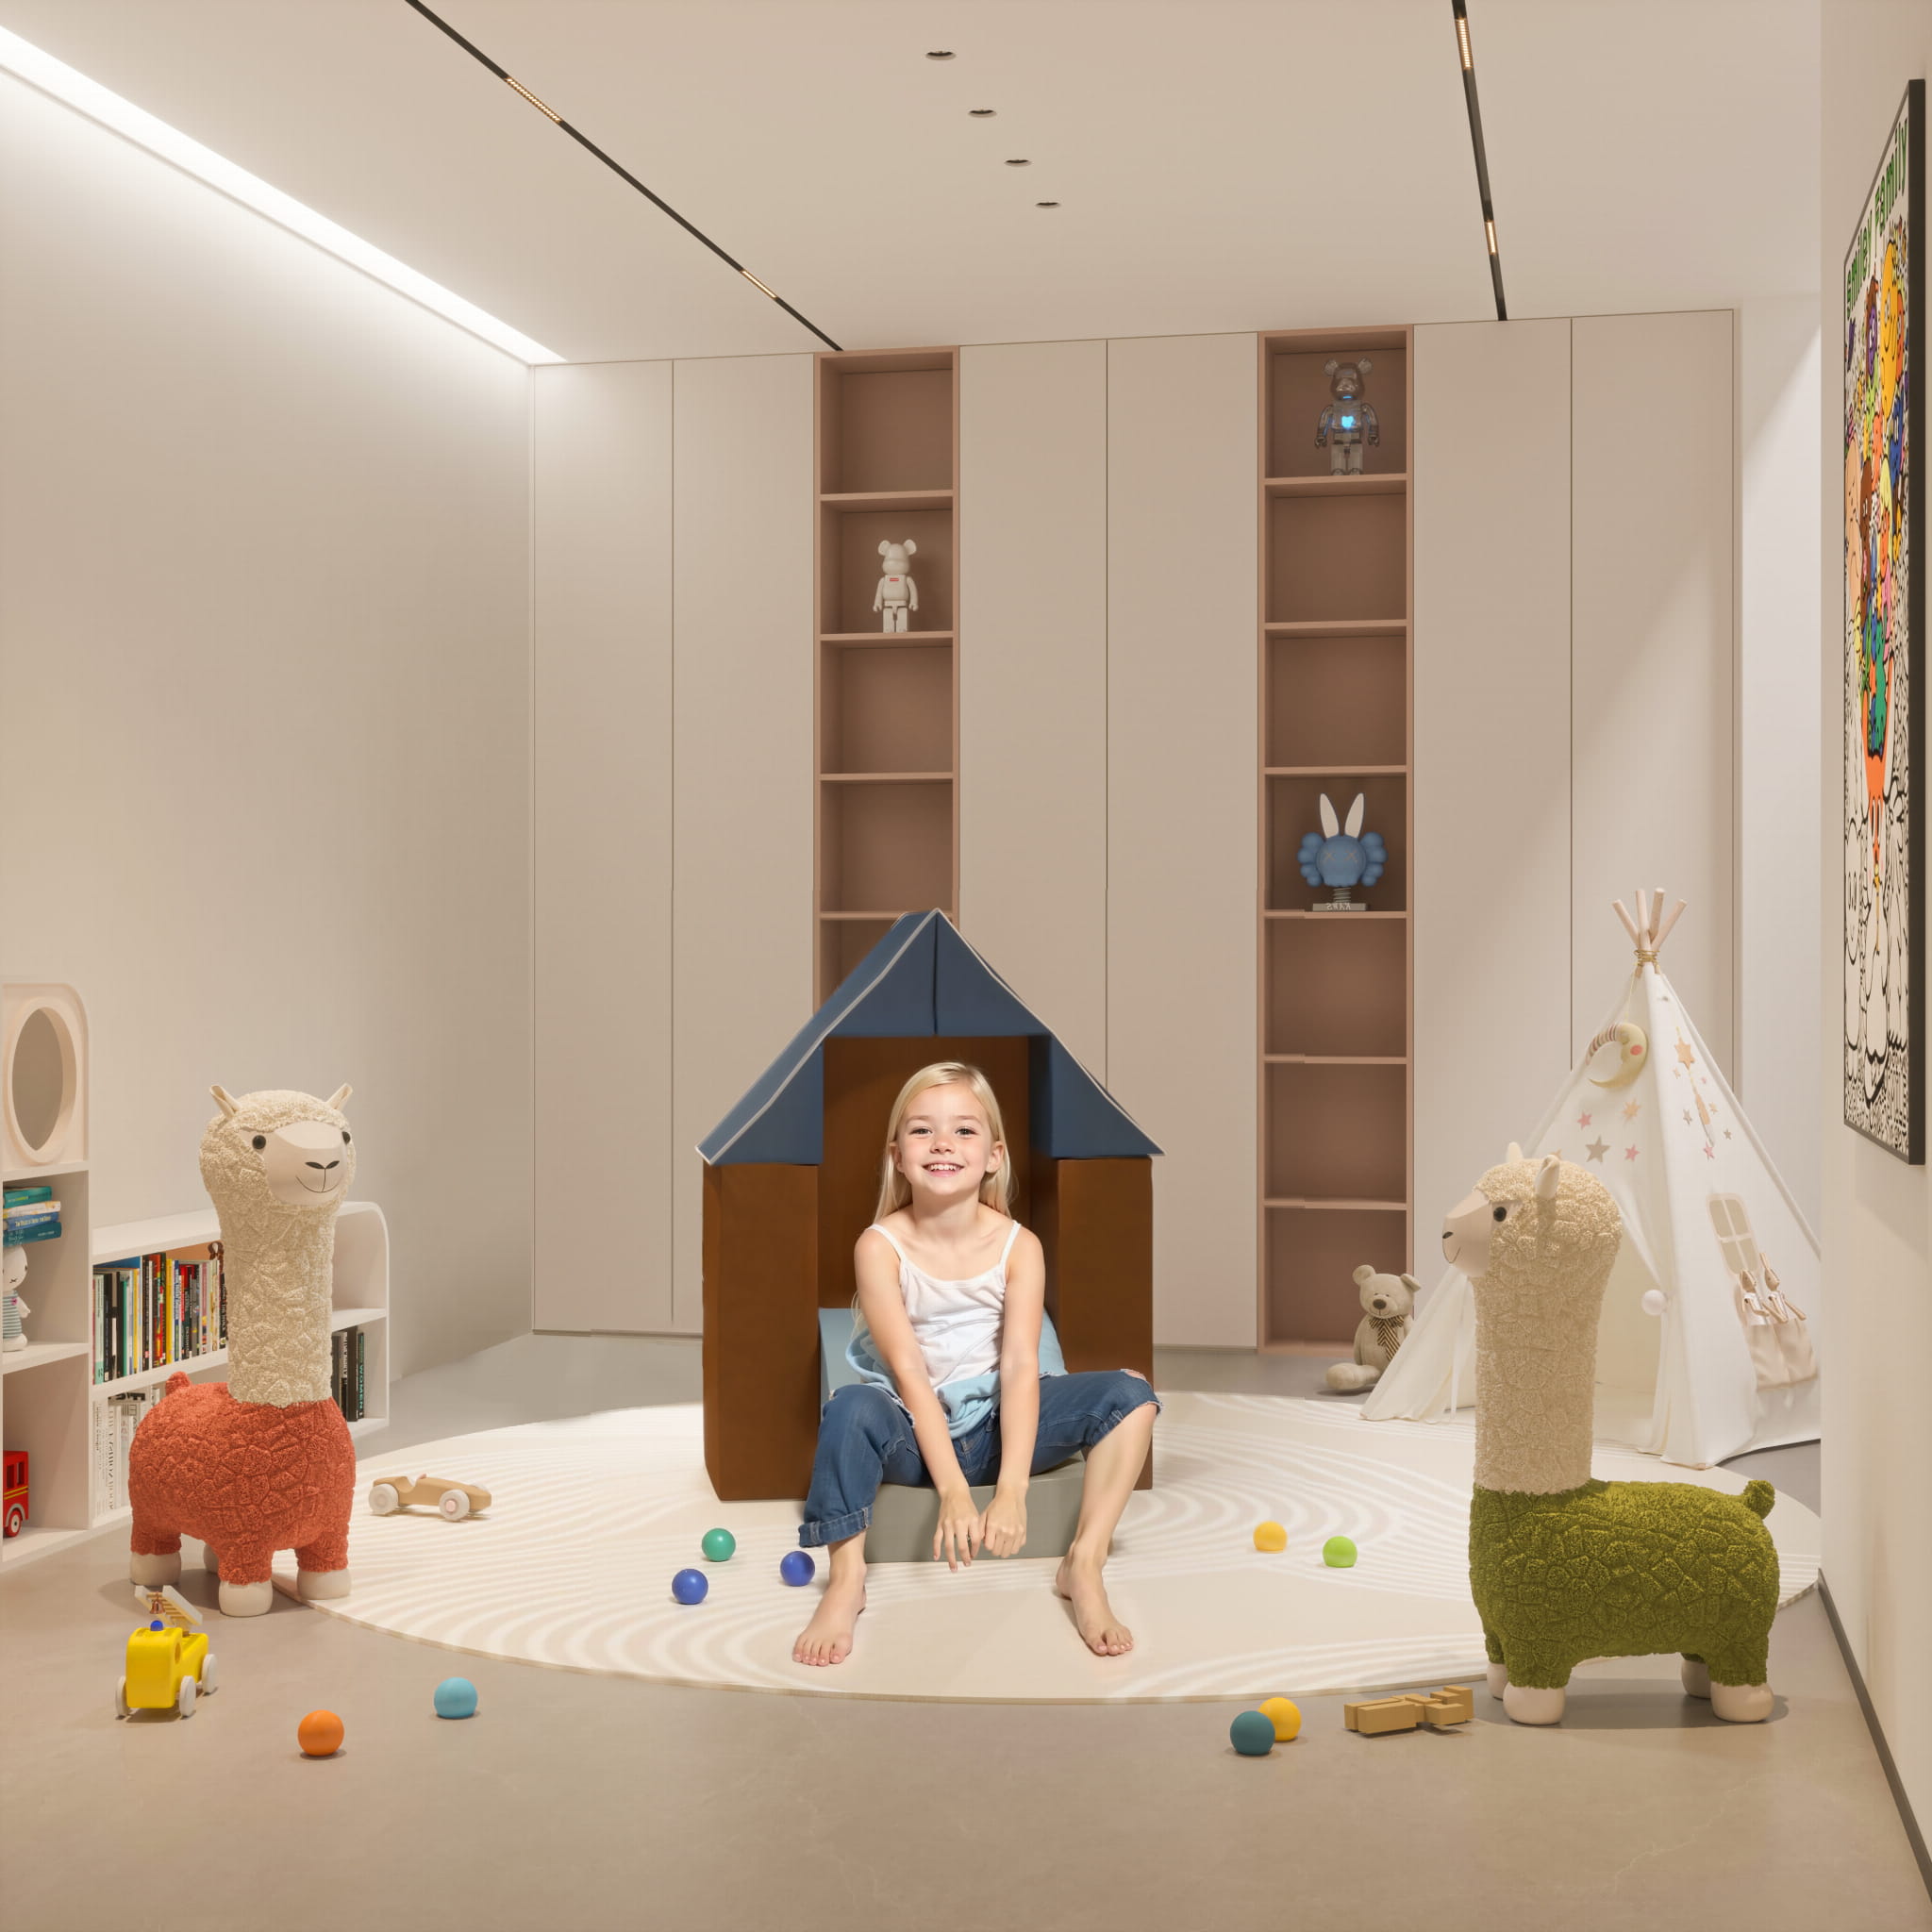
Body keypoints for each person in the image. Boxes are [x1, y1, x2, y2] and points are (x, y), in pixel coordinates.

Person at [791, 1060, 1160, 1668]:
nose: (942, 1143)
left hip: (997, 1426)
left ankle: (1084, 1564)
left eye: (964, 1130)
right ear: (897, 1156)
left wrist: (1011, 1490)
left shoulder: (1019, 1245)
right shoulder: (879, 1246)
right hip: (914, 1434)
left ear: (993, 1156)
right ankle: (847, 1578)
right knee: (850, 1406)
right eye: (922, 1130)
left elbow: (1018, 1366)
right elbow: (909, 1373)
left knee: (1132, 1394)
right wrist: (954, 1492)